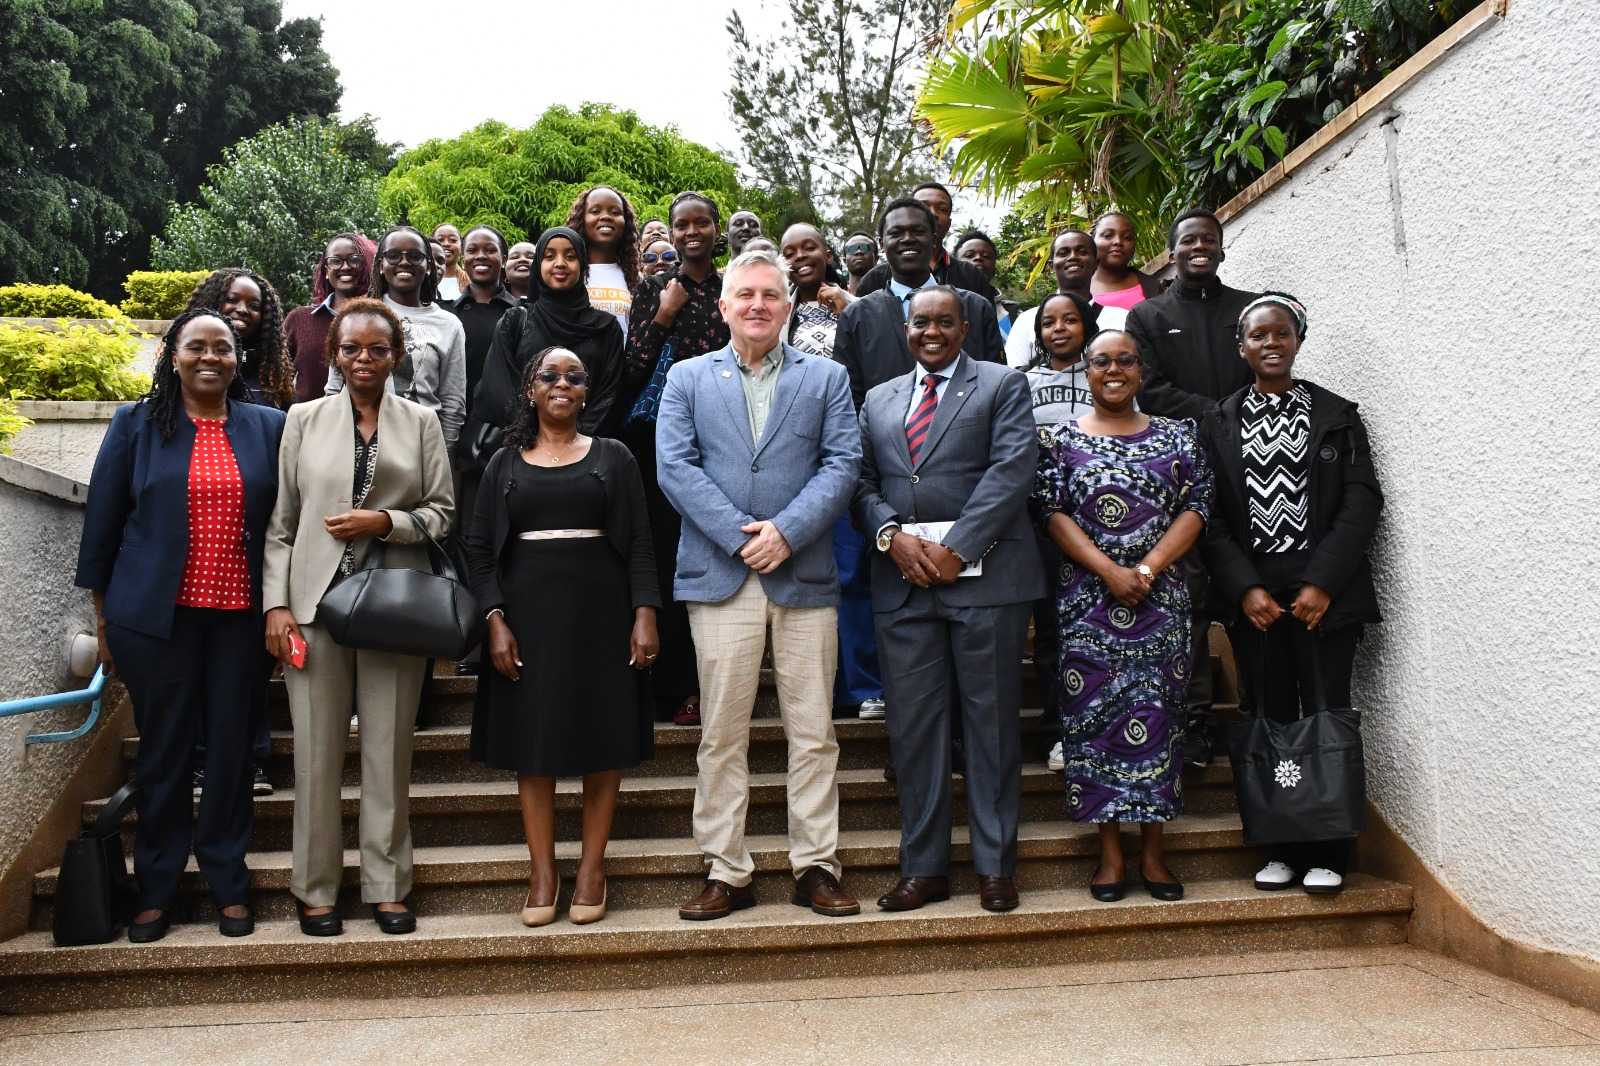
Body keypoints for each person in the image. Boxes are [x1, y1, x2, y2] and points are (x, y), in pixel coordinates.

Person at [655, 249, 863, 921]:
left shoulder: (827, 378)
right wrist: (746, 534)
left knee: (813, 732)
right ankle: (726, 869)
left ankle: (816, 866)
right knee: (721, 732)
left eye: (769, 295)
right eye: (744, 294)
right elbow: (675, 467)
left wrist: (788, 532)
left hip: (802, 573)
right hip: (720, 575)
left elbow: (843, 464)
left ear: (787, 305)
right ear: (723, 306)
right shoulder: (687, 379)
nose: (756, 305)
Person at [76, 309, 286, 942]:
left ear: (237, 358)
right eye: (197, 346)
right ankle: (157, 886)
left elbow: (284, 521)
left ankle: (228, 881)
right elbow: (103, 525)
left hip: (239, 621)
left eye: (223, 348)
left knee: (229, 750)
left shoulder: (268, 428)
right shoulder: (135, 426)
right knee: (163, 755)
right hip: (153, 621)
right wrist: (104, 619)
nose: (211, 357)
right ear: (173, 355)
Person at [264, 298, 455, 938]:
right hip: (314, 611)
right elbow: (281, 526)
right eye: (351, 349)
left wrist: (386, 523)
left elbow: (441, 514)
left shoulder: (422, 423)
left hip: (394, 609)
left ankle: (388, 885)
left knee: (388, 752)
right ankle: (316, 889)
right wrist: (277, 606)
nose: (364, 359)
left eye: (377, 349)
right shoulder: (302, 420)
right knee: (316, 758)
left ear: (396, 354)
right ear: (334, 354)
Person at [854, 285, 1044, 913]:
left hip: (985, 583)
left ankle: (995, 867)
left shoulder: (1001, 384)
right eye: (919, 323)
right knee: (914, 732)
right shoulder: (878, 398)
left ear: (965, 327)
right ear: (905, 329)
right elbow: (861, 480)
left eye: (944, 322)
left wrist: (957, 548)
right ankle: (925, 868)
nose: (930, 332)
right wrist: (889, 535)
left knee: (990, 728)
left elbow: (1012, 469)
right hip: (903, 585)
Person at [465, 346, 660, 927]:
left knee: (604, 741)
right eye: (549, 375)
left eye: (575, 376)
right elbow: (477, 552)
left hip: (602, 614)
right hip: (526, 618)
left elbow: (642, 542)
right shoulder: (504, 461)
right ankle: (544, 871)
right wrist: (493, 619)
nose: (562, 383)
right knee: (535, 743)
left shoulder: (614, 456)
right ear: (530, 389)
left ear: (585, 392)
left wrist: (645, 611)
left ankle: (593, 867)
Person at [1200, 293, 1383, 896]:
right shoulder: (1218, 420)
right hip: (1256, 601)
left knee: (1326, 716)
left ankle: (1330, 850)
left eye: (1281, 333)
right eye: (1258, 336)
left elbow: (1362, 502)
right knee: (1268, 719)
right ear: (1241, 347)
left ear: (1298, 340)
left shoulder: (1336, 414)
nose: (1270, 343)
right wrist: (1246, 588)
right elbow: (1212, 516)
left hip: (1324, 598)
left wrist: (1322, 583)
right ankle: (1279, 846)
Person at [1033, 329, 1213, 903]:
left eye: (1126, 360)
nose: (1114, 369)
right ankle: (1110, 855)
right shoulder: (1059, 441)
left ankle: (1155, 855)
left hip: (1161, 603)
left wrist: (1149, 568)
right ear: (1086, 370)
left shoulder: (1179, 436)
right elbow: (1052, 514)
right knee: (1093, 726)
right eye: (1102, 361)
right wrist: (1109, 571)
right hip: (1089, 603)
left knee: (1161, 721)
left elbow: (1198, 506)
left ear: (1141, 370)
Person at [1126, 207, 1262, 767]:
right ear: (1172, 253)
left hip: (1251, 470)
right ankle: (1196, 722)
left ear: (1222, 250)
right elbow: (1151, 391)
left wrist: (1235, 421)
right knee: (1190, 600)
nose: (1199, 247)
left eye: (1209, 239)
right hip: (1179, 475)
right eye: (1188, 241)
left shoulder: (1246, 310)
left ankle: (1261, 718)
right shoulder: (1149, 316)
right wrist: (1220, 414)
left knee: (1252, 588)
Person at [623, 191, 732, 727]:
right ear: (670, 230)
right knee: (666, 560)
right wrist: (664, 314)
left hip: (726, 438)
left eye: (702, 223)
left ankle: (705, 685)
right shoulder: (652, 289)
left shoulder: (730, 288)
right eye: (681, 225)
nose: (692, 233)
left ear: (717, 228)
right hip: (664, 443)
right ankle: (668, 687)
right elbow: (634, 365)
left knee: (714, 560)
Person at [779, 222, 883, 721]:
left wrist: (852, 308)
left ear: (827, 252)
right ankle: (818, 690)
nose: (800, 257)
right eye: (789, 251)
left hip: (844, 453)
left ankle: (863, 688)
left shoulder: (854, 305)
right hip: (791, 459)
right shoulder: (778, 310)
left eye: (809, 247)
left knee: (851, 573)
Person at [465, 225, 625, 466]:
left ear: (582, 265)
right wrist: (537, 438)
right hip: (522, 454)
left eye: (570, 256)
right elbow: (499, 387)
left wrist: (573, 441)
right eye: (549, 256)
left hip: (587, 458)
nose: (560, 263)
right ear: (538, 266)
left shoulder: (605, 327)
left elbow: (609, 394)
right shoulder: (516, 321)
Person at [1023, 291, 1100, 774]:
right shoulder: (1020, 382)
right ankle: (1057, 732)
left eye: (1070, 320)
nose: (1059, 329)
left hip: (1099, 517)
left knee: (1093, 630)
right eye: (1049, 322)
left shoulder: (1104, 374)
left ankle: (1097, 727)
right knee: (1051, 628)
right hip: (1040, 518)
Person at [834, 197, 1005, 410]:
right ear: (881, 243)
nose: (908, 239)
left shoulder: (975, 308)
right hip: (881, 441)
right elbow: (849, 400)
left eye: (918, 231)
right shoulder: (855, 317)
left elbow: (997, 389)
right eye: (896, 233)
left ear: (934, 240)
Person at [324, 226, 468, 457]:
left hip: (420, 448)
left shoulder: (449, 325)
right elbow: (334, 389)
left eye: (415, 256)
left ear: (429, 266)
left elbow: (452, 403)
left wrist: (442, 455)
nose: (404, 262)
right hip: (355, 445)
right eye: (393, 256)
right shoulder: (355, 315)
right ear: (380, 265)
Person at [853, 182, 998, 303]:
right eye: (923, 206)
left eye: (942, 209)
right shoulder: (874, 279)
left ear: (949, 222)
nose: (933, 213)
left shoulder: (971, 276)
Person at [285, 233, 375, 404]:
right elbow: (278, 378)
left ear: (366, 265)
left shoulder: (381, 321)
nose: (345, 267)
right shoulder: (299, 320)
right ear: (326, 270)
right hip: (308, 424)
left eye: (354, 259)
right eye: (336, 261)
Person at [184, 269, 292, 410]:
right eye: (231, 300)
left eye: (253, 306)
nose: (242, 310)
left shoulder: (271, 376)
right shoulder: (188, 363)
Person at [448, 225, 519, 432]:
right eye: (472, 250)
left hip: (507, 430)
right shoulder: (448, 316)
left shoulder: (522, 315)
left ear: (504, 259)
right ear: (463, 258)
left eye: (490, 250)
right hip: (457, 426)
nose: (480, 256)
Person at [1005, 229, 1098, 368]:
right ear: (1051, 265)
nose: (1073, 257)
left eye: (1082, 252)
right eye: (1063, 253)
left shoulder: (1121, 317)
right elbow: (1015, 377)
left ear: (1096, 263)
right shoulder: (1026, 320)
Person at [565, 185, 640, 332]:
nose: (605, 216)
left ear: (626, 222)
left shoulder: (636, 279)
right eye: (595, 211)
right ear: (582, 219)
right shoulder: (567, 273)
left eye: (615, 212)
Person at [1089, 210, 1162, 321]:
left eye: (1127, 237)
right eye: (1108, 235)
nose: (1118, 241)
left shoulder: (1154, 288)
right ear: (1091, 241)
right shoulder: (1077, 289)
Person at [954, 229, 1019, 337]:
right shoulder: (936, 304)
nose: (978, 258)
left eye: (986, 256)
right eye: (969, 255)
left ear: (994, 266)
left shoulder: (1014, 314)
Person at [432, 222, 469, 302]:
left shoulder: (471, 282)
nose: (446, 244)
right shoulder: (420, 281)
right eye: (440, 240)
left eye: (453, 240)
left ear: (461, 247)